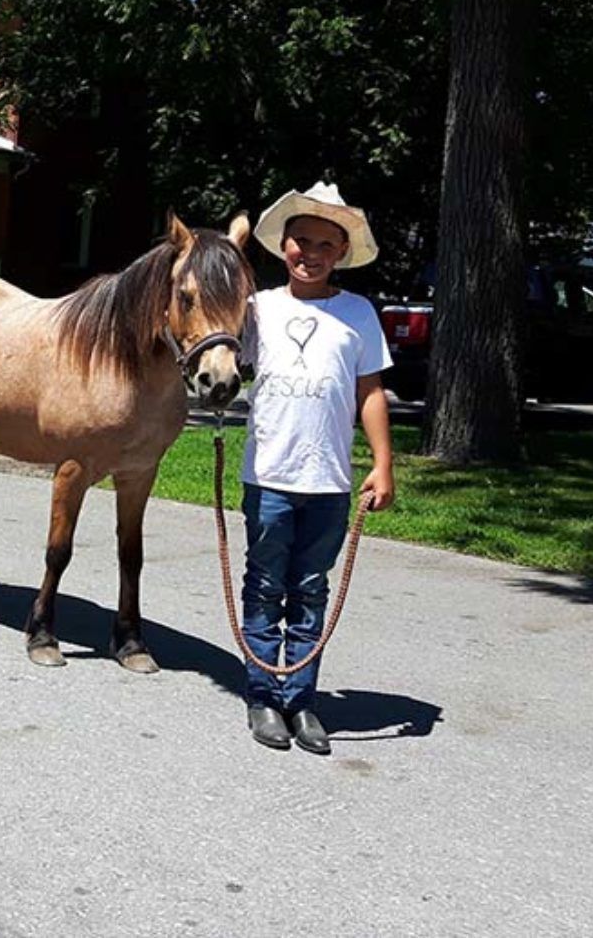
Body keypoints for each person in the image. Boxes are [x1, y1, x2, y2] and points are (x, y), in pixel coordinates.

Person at [240, 182, 396, 755]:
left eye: (324, 245)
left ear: (341, 253)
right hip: (270, 477)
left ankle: (301, 698)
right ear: (283, 247)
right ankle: (262, 694)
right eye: (300, 241)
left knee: (308, 590)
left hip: (328, 481)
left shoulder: (357, 314)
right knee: (263, 586)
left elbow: (370, 391)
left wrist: (382, 464)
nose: (310, 253)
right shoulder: (258, 308)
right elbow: (222, 362)